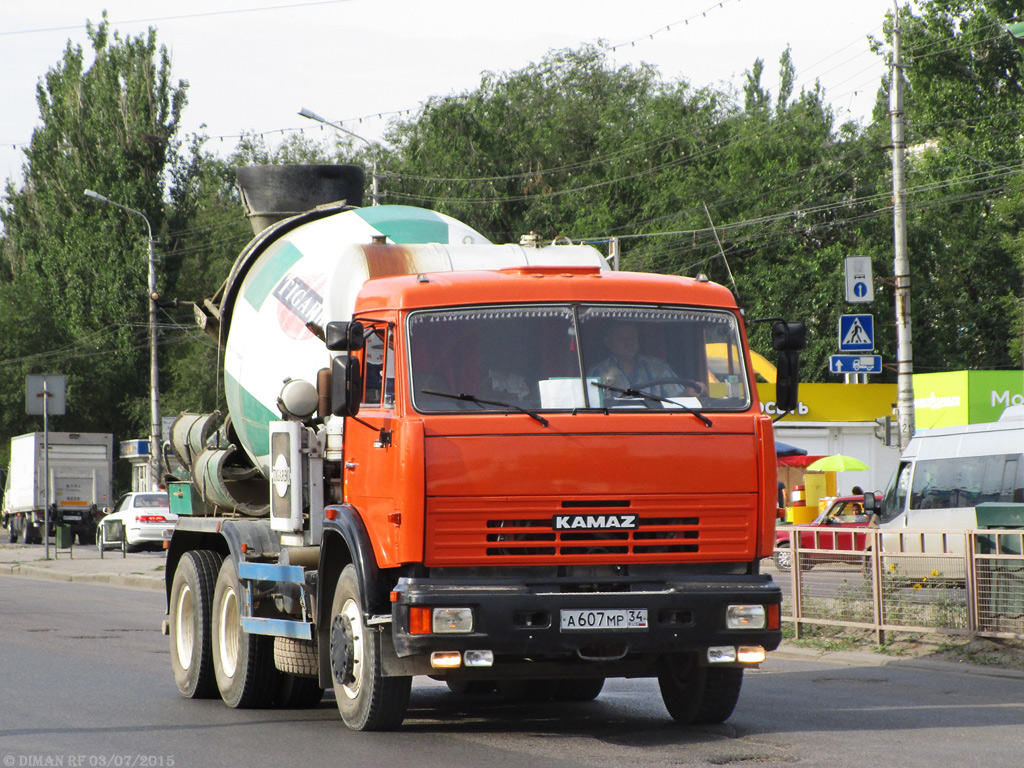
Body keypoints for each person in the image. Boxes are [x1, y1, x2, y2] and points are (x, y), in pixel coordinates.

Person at [589, 323, 702, 398]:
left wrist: (689, 392)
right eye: (623, 338)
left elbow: (678, 398)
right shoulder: (597, 373)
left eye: (633, 337)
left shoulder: (659, 367)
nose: (629, 342)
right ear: (608, 342)